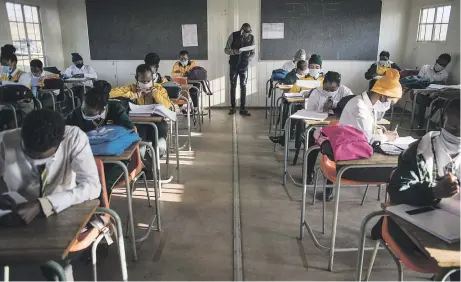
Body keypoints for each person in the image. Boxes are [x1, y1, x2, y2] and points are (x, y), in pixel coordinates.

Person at [0, 109, 101, 280]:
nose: (36, 161)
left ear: (60, 141)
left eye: (44, 158)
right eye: (30, 155)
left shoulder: (74, 138)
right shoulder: (5, 140)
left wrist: (44, 204)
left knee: (57, 268)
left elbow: (92, 186)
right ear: (21, 135)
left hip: (61, 213)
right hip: (15, 215)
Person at [371, 99, 460, 281]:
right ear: (443, 119)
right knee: (454, 259)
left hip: (454, 222)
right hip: (416, 224)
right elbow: (397, 192)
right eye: (454, 129)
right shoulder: (419, 152)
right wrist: (434, 192)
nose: (459, 136)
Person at [66, 80, 134, 193]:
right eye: (84, 111)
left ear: (103, 109)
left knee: (101, 184)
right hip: (85, 158)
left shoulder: (115, 108)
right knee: (75, 183)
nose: (85, 115)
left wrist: (107, 134)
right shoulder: (76, 114)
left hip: (114, 159)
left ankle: (100, 209)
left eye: (90, 114)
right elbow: (63, 131)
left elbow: (129, 129)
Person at [337, 68, 402, 183]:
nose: (389, 106)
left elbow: (366, 132)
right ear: (383, 96)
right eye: (390, 102)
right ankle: (391, 201)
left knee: (398, 169)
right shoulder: (359, 107)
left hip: (359, 158)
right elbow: (370, 140)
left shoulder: (368, 105)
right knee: (397, 173)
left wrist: (379, 131)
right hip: (349, 165)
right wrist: (386, 137)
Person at [109, 64, 170, 156]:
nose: (145, 83)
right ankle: (147, 165)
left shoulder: (159, 88)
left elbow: (167, 106)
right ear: (136, 79)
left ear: (153, 79)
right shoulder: (131, 88)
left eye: (148, 81)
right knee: (140, 151)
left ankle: (152, 163)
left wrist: (156, 95)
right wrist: (132, 95)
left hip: (158, 124)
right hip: (138, 124)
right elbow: (110, 93)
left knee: (160, 148)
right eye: (142, 81)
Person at [0, 45, 35, 129]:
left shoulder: (23, 75)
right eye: (2, 64)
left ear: (14, 64)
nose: (4, 67)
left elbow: (21, 87)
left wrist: (3, 83)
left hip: (24, 106)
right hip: (9, 106)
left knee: (11, 124)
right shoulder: (3, 75)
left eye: (6, 64)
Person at [224, 23, 255, 116]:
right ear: (241, 30)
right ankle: (233, 107)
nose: (247, 34)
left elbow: (253, 53)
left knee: (243, 86)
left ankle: (243, 108)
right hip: (234, 65)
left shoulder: (252, 38)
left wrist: (248, 60)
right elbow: (226, 50)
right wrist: (235, 52)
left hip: (244, 66)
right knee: (233, 86)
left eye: (249, 32)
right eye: (245, 32)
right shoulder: (233, 35)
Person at [415, 53, 452, 130]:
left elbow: (442, 88)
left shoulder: (445, 74)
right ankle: (419, 126)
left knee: (445, 103)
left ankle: (438, 126)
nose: (441, 66)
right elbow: (418, 81)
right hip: (420, 93)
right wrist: (431, 83)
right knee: (423, 102)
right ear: (436, 61)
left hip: (433, 96)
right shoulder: (425, 68)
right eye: (440, 63)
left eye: (444, 65)